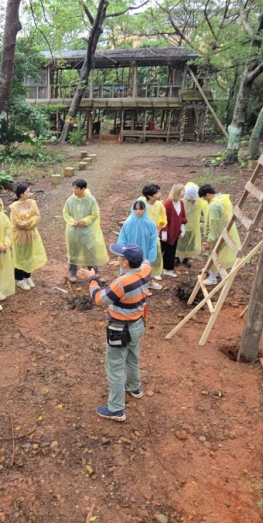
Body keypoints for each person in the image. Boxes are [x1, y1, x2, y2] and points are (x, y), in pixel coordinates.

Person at [78, 243, 151, 422]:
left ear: (126, 262)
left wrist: (91, 279)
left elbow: (99, 299)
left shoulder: (122, 282)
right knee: (132, 357)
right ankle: (135, 388)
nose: (117, 259)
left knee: (115, 366)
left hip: (120, 328)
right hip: (137, 324)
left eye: (119, 257)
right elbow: (145, 261)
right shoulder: (146, 269)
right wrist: (121, 265)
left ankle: (116, 409)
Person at [63, 178, 108, 283]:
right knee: (73, 251)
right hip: (73, 231)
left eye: (77, 188)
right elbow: (66, 212)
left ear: (83, 189)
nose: (74, 190)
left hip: (87, 231)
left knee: (90, 252)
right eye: (73, 187)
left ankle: (94, 273)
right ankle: (73, 273)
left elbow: (94, 214)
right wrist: (71, 221)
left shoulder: (90, 200)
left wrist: (85, 221)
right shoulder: (70, 199)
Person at [200, 184, 241, 286]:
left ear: (208, 195)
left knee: (215, 253)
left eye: (205, 198)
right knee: (218, 253)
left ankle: (213, 277)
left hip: (219, 234)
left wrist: (210, 240)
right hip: (227, 230)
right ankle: (212, 270)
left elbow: (214, 225)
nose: (205, 201)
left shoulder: (214, 206)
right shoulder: (223, 199)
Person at [9, 183, 47, 291]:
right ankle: (19, 279)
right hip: (19, 236)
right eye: (27, 191)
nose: (29, 193)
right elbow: (16, 222)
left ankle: (27, 276)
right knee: (20, 257)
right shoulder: (14, 207)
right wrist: (29, 223)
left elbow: (37, 216)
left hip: (31, 234)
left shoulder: (32, 203)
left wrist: (28, 223)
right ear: (21, 194)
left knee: (29, 255)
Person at [116, 200, 161, 290]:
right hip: (130, 254)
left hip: (144, 253)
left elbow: (153, 242)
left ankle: (146, 284)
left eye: (141, 209)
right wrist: (123, 253)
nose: (138, 211)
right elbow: (122, 239)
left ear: (145, 210)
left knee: (143, 270)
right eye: (135, 209)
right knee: (129, 272)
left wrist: (151, 258)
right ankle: (130, 287)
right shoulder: (128, 223)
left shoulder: (150, 224)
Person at [139, 183, 167, 281]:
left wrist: (159, 229)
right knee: (143, 254)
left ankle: (154, 273)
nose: (160, 194)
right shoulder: (141, 204)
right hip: (142, 235)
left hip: (153, 234)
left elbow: (162, 217)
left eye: (159, 191)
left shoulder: (159, 205)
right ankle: (142, 275)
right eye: (157, 192)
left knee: (155, 253)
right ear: (150, 196)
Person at [160, 183, 188, 278]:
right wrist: (164, 232)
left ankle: (168, 269)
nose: (184, 192)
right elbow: (163, 218)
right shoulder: (168, 204)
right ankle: (156, 269)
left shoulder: (181, 203)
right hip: (167, 232)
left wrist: (182, 229)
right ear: (177, 192)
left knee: (171, 250)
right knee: (160, 250)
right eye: (183, 190)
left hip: (174, 232)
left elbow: (182, 217)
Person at [176, 183, 207, 268]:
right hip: (182, 227)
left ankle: (186, 258)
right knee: (179, 243)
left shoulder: (199, 203)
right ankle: (177, 258)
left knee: (190, 244)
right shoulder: (182, 202)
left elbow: (204, 212)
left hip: (192, 227)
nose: (191, 201)